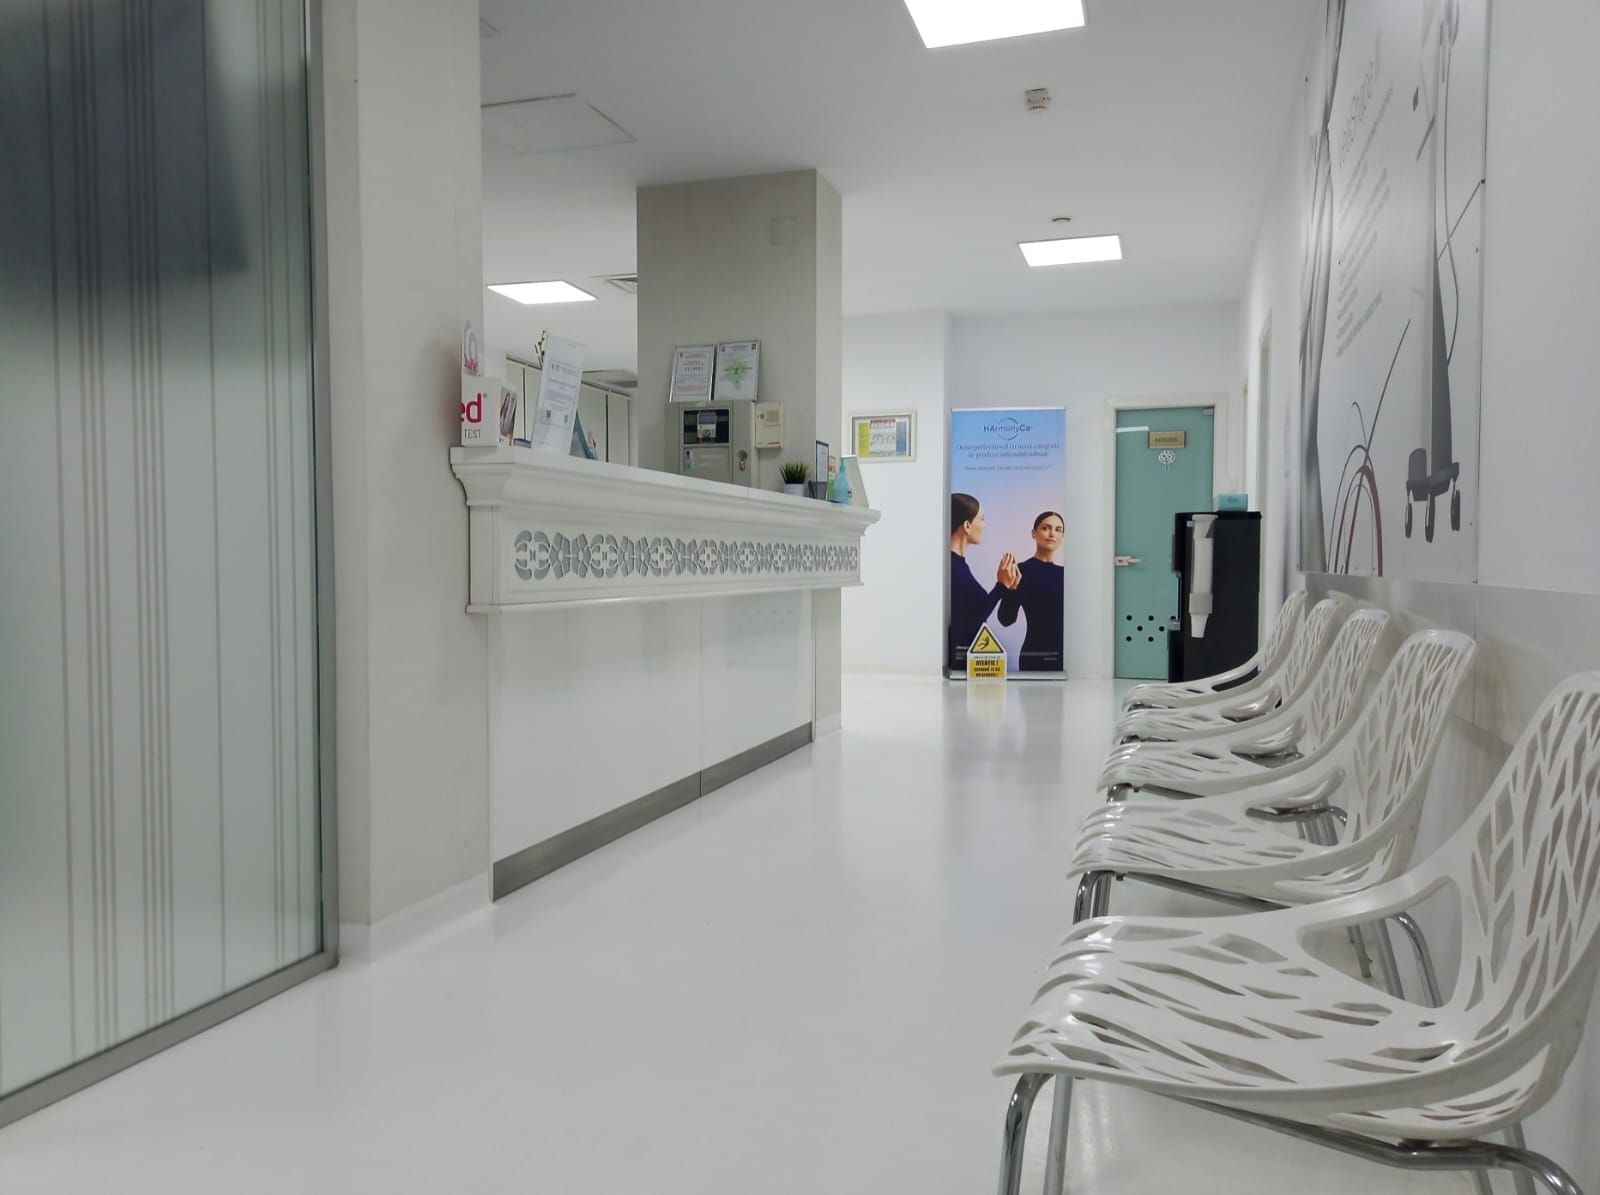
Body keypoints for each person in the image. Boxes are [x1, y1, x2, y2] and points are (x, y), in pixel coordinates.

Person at [949, 493, 1019, 671]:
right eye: (981, 519)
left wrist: (1006, 586)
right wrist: (1001, 586)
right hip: (958, 666)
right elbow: (972, 619)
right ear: (967, 525)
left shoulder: (957, 564)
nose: (985, 525)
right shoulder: (953, 568)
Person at [997, 511, 1065, 672]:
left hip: (1066, 656)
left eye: (1058, 530)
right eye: (1046, 528)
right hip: (1034, 655)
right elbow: (1005, 619)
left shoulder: (1066, 574)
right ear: (1034, 533)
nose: (1052, 534)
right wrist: (1011, 589)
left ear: (1062, 537)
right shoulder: (1021, 571)